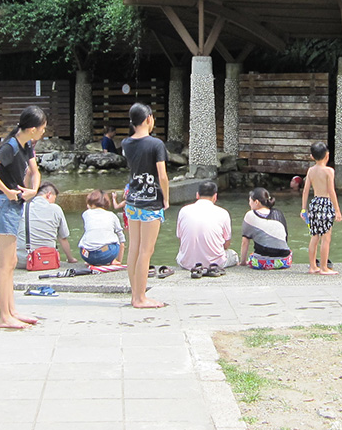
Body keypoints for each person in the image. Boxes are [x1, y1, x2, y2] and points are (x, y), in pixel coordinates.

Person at [0, 105, 48, 329]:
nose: (43, 132)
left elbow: (35, 172)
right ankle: (3, 316)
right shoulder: (10, 146)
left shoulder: (26, 145)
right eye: (42, 129)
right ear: (31, 128)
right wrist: (7, 191)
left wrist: (34, 190)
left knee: (10, 262)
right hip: (3, 205)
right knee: (4, 264)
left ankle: (12, 311)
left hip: (13, 206)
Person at [122, 102, 170, 308]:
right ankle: (140, 298)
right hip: (151, 202)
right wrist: (166, 198)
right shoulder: (156, 144)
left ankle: (135, 294)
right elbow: (162, 176)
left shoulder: (126, 143)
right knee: (146, 251)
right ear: (148, 119)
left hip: (132, 201)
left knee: (134, 248)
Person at [176, 180, 238, 277]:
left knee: (180, 254)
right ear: (215, 196)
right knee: (233, 255)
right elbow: (226, 244)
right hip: (215, 264)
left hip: (186, 263)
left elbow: (181, 240)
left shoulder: (183, 211)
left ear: (197, 195)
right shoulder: (223, 213)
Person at [300, 141, 341, 274]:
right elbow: (331, 191)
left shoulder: (311, 170)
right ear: (327, 155)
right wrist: (337, 210)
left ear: (312, 156)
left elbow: (305, 191)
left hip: (315, 203)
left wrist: (303, 209)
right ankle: (324, 267)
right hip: (326, 203)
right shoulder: (329, 171)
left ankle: (312, 266)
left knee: (314, 236)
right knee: (326, 237)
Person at [15, 182, 78, 268]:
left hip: (24, 261)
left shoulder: (23, 207)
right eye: (54, 199)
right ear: (49, 195)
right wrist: (70, 259)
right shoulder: (56, 209)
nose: (53, 202)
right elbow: (63, 238)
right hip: (48, 260)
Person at [239, 187, 292, 270]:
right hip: (284, 261)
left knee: (252, 256)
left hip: (261, 263)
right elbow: (285, 237)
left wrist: (242, 262)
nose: (249, 203)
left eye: (250, 201)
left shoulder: (250, 215)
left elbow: (245, 242)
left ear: (256, 202)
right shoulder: (278, 213)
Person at [78, 189, 125, 267]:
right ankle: (113, 260)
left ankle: (92, 261)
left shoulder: (86, 214)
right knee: (115, 237)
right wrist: (119, 260)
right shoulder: (111, 215)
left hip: (87, 255)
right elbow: (122, 239)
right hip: (106, 254)